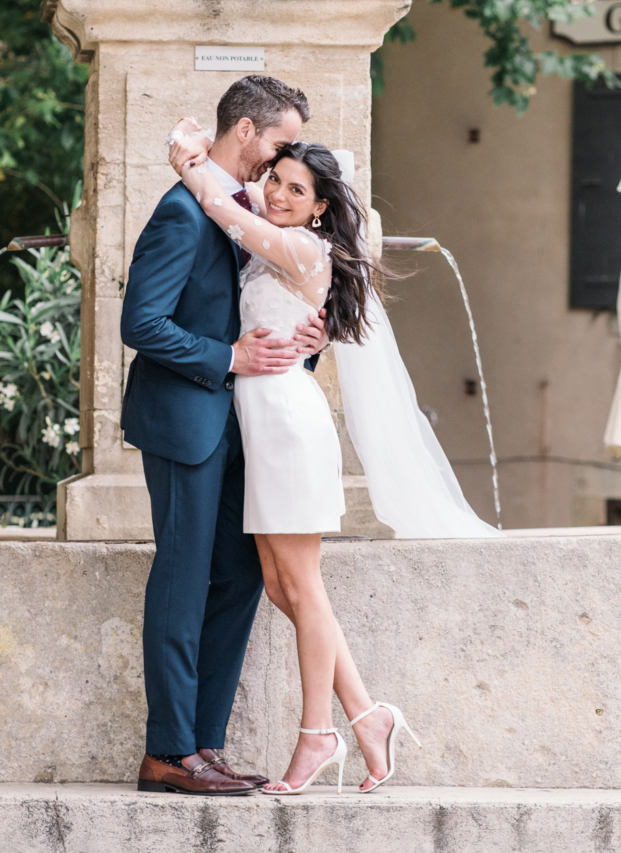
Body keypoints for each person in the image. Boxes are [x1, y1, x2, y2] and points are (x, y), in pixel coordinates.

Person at [166, 129, 426, 795]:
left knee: (302, 589)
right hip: (266, 422)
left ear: (319, 207)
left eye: (296, 188)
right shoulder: (282, 220)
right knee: (283, 588)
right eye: (276, 179)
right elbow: (242, 190)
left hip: (285, 422)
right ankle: (367, 715)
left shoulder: (305, 246)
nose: (278, 193)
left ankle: (317, 736)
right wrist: (213, 150)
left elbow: (227, 209)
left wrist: (189, 163)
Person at [120, 75, 328, 797]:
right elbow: (139, 325)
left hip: (244, 426)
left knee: (239, 577)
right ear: (245, 132)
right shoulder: (183, 210)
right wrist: (227, 358)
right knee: (181, 581)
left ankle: (203, 744)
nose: (281, 160)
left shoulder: (243, 209)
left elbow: (260, 307)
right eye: (277, 143)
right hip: (183, 422)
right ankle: (167, 751)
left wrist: (305, 339)